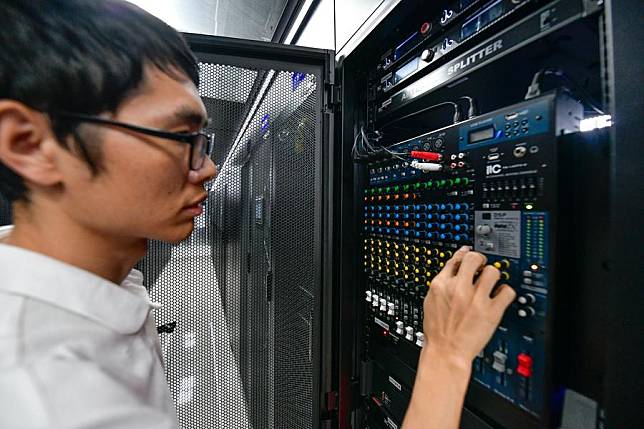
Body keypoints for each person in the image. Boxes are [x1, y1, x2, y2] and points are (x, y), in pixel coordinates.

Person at [0, 1, 515, 428]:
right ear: (31, 145)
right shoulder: (48, 397)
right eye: (183, 139)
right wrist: (446, 355)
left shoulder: (89, 289)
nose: (209, 169)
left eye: (206, 142)